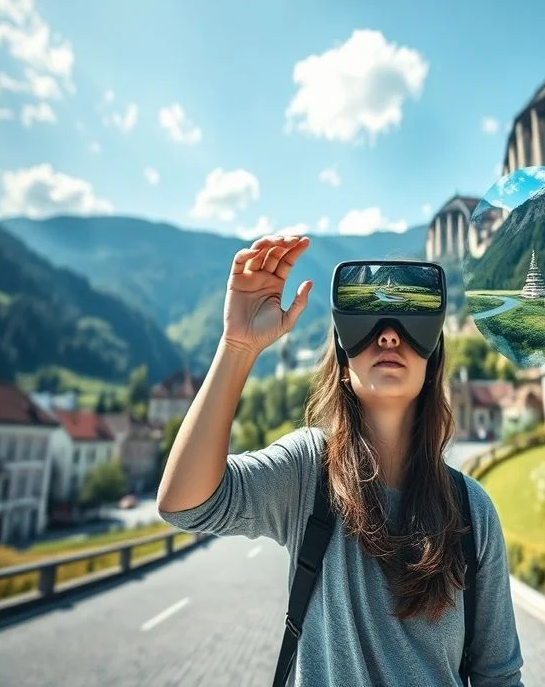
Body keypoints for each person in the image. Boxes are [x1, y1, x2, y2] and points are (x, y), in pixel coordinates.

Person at [157, 234, 525, 686]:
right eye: (367, 320)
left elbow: (498, 677)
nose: (389, 334)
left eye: (411, 318)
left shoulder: (472, 512)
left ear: (433, 360)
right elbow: (184, 503)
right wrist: (237, 347)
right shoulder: (308, 472)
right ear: (342, 361)